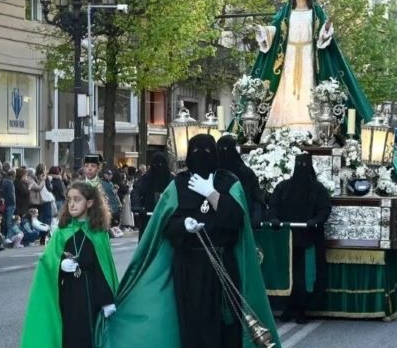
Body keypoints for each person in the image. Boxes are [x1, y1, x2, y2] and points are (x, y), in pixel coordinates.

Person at [96, 134, 280, 348]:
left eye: (208, 153)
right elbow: (165, 224)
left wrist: (212, 194)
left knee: (227, 324)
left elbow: (236, 221)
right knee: (191, 323)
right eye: (196, 152)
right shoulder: (178, 185)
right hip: (189, 267)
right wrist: (184, 225)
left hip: (223, 264)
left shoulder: (229, 183)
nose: (202, 157)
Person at [250, 0, 371, 139]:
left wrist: (327, 27)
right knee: (286, 89)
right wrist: (263, 30)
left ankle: (313, 132)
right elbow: (276, 29)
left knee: (308, 88)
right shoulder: (286, 11)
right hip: (290, 57)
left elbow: (322, 34)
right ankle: (281, 129)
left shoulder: (316, 11)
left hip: (308, 56)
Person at [21, 181, 118, 348]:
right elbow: (47, 262)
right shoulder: (62, 232)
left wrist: (107, 300)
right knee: (69, 334)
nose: (72, 204)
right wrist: (60, 264)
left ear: (89, 203)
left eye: (77, 199)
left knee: (90, 336)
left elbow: (103, 269)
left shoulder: (99, 233)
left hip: (91, 294)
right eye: (69, 199)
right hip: (69, 294)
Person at [268, 153, 331, 323]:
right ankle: (289, 307)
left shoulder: (318, 189)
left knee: (304, 276)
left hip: (308, 240)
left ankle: (302, 308)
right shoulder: (283, 187)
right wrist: (274, 219)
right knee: (288, 275)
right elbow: (273, 205)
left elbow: (324, 209)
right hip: (286, 240)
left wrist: (315, 221)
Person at [217, 135, 265, 226]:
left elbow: (256, 197)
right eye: (221, 149)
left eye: (227, 149)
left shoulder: (245, 172)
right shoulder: (214, 173)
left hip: (246, 220)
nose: (224, 152)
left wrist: (256, 216)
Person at [132, 152, 174, 241]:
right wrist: (138, 208)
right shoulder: (145, 179)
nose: (158, 167)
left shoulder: (172, 179)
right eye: (156, 164)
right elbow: (135, 192)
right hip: (148, 216)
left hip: (168, 218)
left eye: (161, 164)